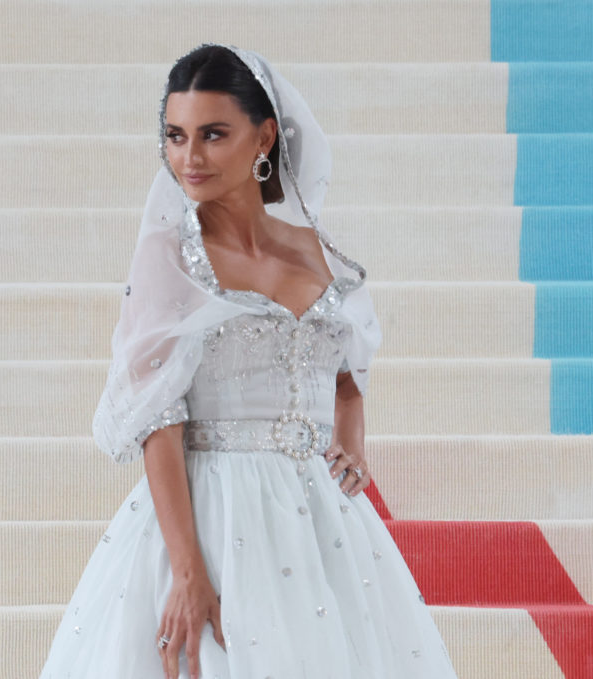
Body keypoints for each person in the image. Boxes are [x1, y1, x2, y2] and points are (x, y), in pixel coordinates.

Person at [39, 43, 458, 679]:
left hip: (322, 524)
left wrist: (351, 440)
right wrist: (187, 572)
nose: (189, 158)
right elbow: (159, 418)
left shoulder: (315, 251)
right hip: (211, 513)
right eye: (175, 136)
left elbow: (345, 370)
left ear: (264, 137)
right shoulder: (171, 257)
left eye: (213, 134)